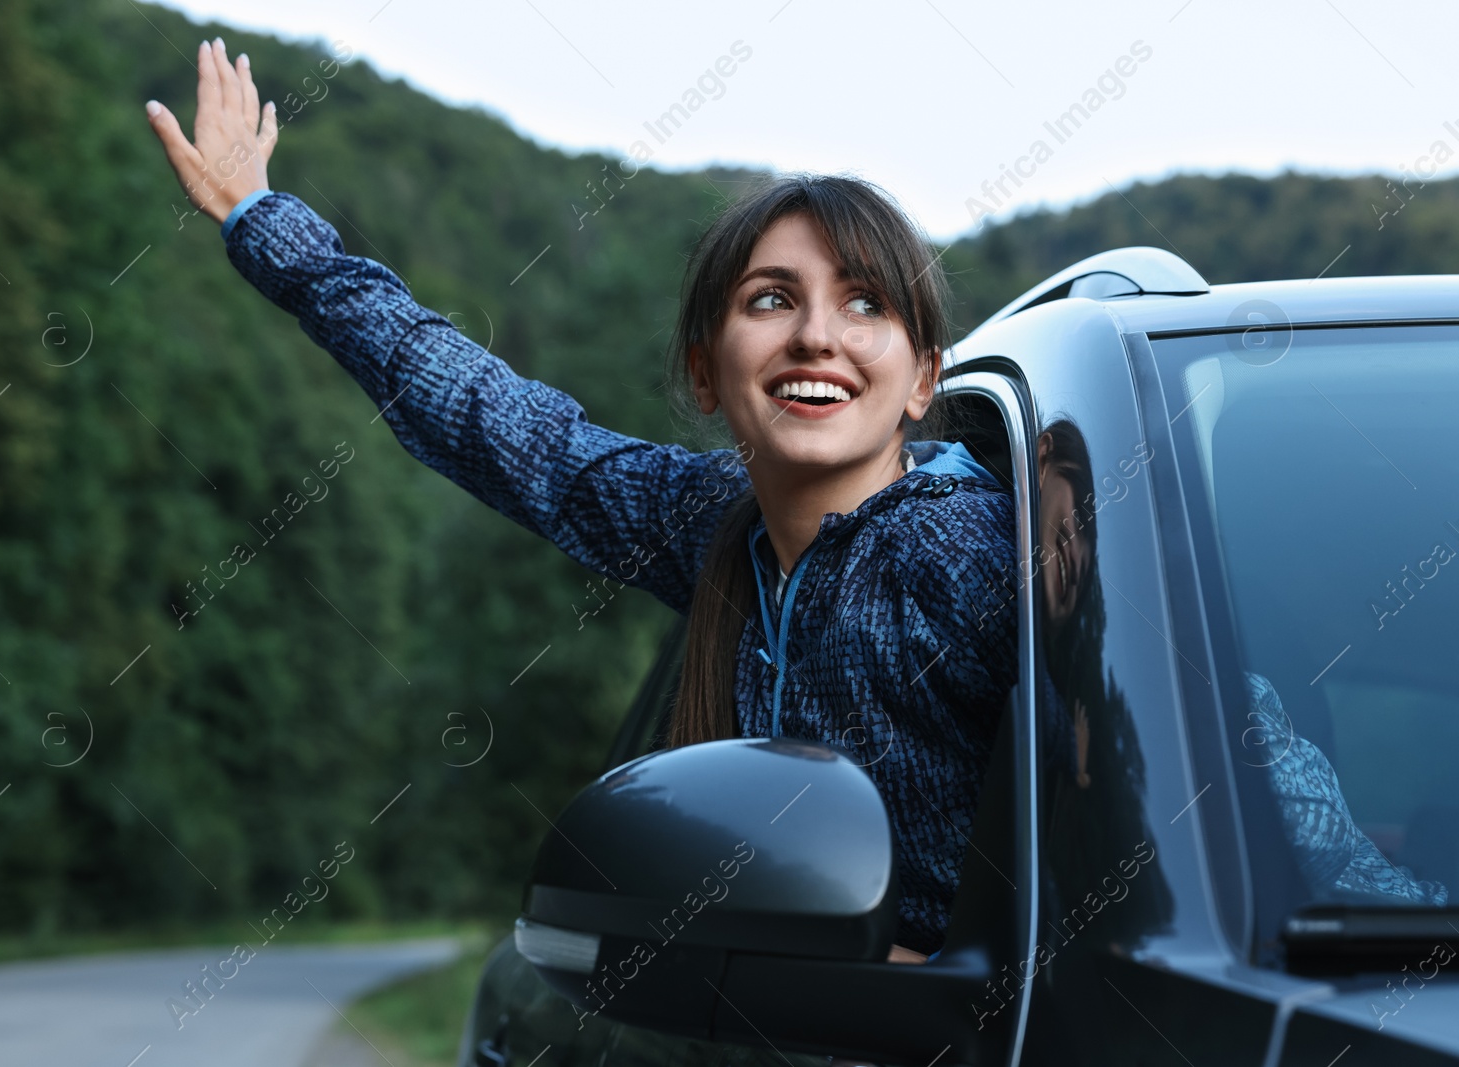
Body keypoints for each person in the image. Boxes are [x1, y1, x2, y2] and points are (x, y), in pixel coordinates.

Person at [144, 38, 1020, 962]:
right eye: (770, 299)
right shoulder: (714, 522)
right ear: (706, 371)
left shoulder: (961, 552)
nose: (815, 335)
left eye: (866, 304)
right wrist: (261, 219)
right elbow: (491, 420)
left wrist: (955, 975)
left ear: (924, 378)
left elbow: (1138, 808)